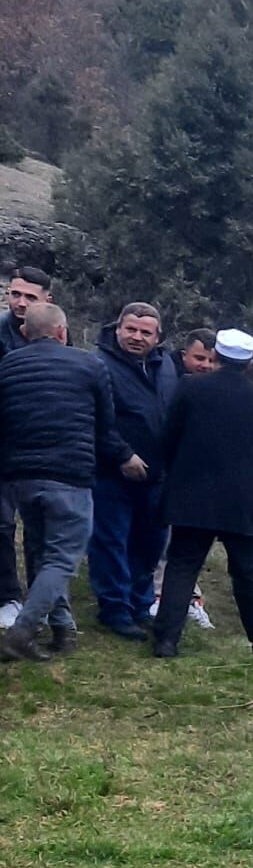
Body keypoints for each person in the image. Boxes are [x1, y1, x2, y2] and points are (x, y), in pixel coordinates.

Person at [0, 301, 145, 661]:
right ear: (63, 332)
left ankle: (63, 630)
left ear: (24, 332)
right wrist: (126, 456)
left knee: (41, 549)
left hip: (21, 477)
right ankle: (22, 632)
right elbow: (105, 428)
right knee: (63, 557)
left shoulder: (7, 366)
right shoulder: (90, 365)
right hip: (70, 474)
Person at [149, 329, 253, 658]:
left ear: (216, 356)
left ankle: (166, 641)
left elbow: (168, 435)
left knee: (182, 566)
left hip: (193, 494)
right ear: (249, 363)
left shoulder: (190, 387)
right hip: (242, 498)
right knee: (251, 573)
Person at [89, 300, 179, 640]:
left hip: (158, 474)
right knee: (111, 541)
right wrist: (122, 455)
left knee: (150, 543)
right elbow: (98, 418)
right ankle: (114, 609)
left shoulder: (166, 366)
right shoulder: (98, 364)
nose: (137, 337)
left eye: (145, 332)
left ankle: (141, 605)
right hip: (113, 472)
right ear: (117, 329)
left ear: (158, 337)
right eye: (131, 329)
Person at [0, 264, 54, 629]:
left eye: (29, 296)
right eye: (14, 293)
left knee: (43, 528)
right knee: (1, 524)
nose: (20, 302)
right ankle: (6, 596)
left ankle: (43, 601)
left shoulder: (54, 334)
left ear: (47, 299)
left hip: (41, 446)